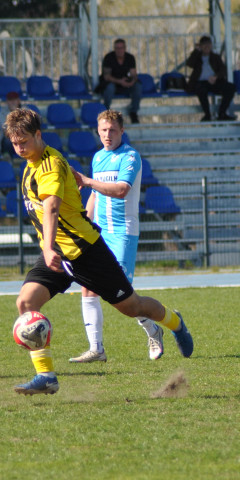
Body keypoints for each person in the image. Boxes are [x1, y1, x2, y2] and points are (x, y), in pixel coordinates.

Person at [5, 108, 193, 396]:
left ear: (38, 135)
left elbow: (52, 208)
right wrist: (50, 248)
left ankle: (175, 323)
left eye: (24, 141)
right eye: (14, 143)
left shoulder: (50, 165)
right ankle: (46, 376)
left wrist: (47, 246)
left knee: (133, 307)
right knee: (26, 303)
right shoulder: (31, 164)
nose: (19, 148)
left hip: (86, 252)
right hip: (59, 254)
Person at [68, 109, 163, 364]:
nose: (107, 135)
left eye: (112, 130)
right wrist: (84, 224)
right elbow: (95, 196)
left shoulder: (130, 156)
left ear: (122, 131)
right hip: (99, 233)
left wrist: (88, 181)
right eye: (103, 130)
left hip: (123, 233)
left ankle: (153, 330)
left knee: (122, 295)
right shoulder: (98, 157)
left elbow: (121, 190)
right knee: (88, 287)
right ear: (98, 132)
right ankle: (96, 349)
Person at [185, 35, 236, 122]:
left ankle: (222, 113)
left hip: (214, 81)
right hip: (200, 83)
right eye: (204, 44)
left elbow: (223, 70)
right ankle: (207, 115)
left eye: (209, 44)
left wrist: (216, 77)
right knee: (200, 89)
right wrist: (196, 51)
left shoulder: (215, 57)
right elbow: (189, 64)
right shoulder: (197, 57)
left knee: (231, 87)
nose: (207, 46)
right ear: (200, 46)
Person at [97, 38, 142, 124]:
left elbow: (134, 74)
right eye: (117, 48)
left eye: (121, 48)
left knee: (138, 86)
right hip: (112, 84)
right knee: (109, 88)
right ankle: (106, 112)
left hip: (124, 85)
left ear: (125, 48)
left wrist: (131, 82)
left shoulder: (130, 58)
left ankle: (133, 112)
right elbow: (106, 76)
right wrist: (120, 81)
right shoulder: (109, 57)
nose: (119, 50)